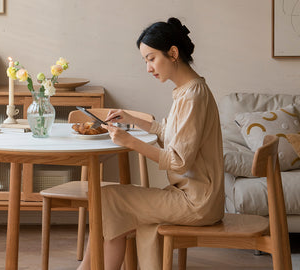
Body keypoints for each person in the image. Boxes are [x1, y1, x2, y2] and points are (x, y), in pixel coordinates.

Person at [77, 17, 224, 270]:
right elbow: (170, 132)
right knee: (112, 201)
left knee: (108, 197)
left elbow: (179, 160)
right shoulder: (188, 91)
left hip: (197, 201)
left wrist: (130, 141)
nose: (148, 68)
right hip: (193, 195)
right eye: (146, 60)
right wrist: (132, 120)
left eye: (151, 58)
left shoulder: (192, 96)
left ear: (173, 53)